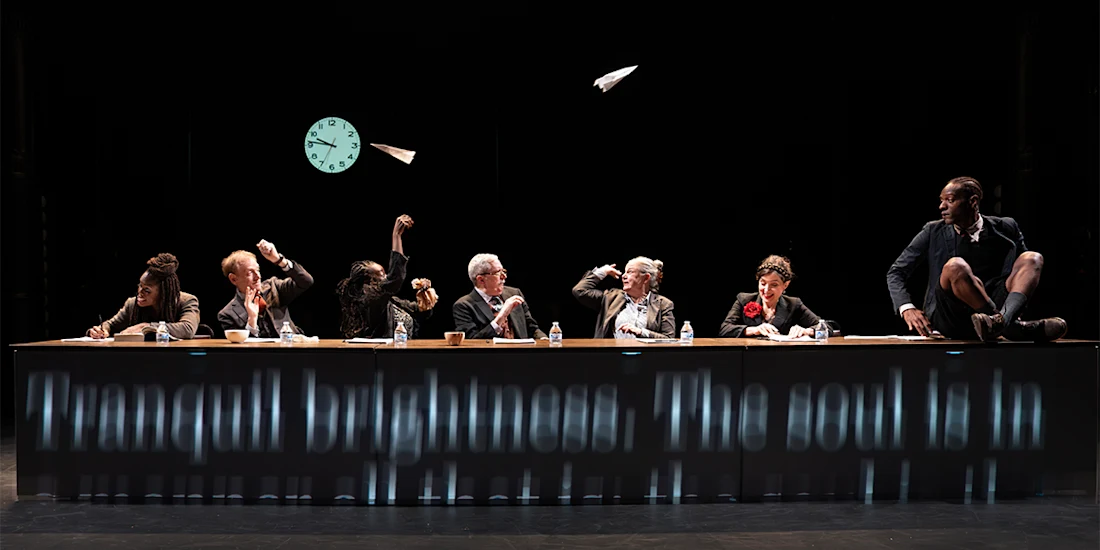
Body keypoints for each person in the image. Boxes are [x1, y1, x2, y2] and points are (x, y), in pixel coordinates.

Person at [887, 176, 1067, 342]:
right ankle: (1008, 327)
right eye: (941, 201)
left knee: (1032, 258)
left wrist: (1012, 309)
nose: (942, 206)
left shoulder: (1006, 227)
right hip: (952, 313)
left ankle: (999, 322)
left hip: (995, 301)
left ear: (973, 202)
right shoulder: (933, 231)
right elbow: (896, 272)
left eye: (949, 200)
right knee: (955, 266)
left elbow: (1022, 278)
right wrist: (906, 307)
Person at [337, 214, 438, 339]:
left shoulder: (391, 301)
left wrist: (425, 298)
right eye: (381, 273)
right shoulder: (369, 301)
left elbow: (418, 311)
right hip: (380, 356)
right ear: (368, 283)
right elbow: (395, 278)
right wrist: (396, 235)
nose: (386, 276)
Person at [87, 253, 200, 339]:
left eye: (147, 290)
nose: (139, 292)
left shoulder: (186, 301)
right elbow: (110, 324)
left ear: (163, 293)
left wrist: (146, 327)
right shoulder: (132, 304)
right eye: (140, 286)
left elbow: (188, 328)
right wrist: (102, 330)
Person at [217, 240, 314, 338]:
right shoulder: (227, 314)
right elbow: (242, 350)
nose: (258, 276)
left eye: (258, 270)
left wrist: (279, 260)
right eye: (250, 273)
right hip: (260, 353)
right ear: (233, 279)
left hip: (290, 349)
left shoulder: (274, 287)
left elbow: (306, 281)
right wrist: (252, 319)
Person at [572, 257, 676, 339]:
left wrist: (641, 332)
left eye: (630, 272)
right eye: (625, 272)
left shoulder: (663, 304)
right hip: (613, 358)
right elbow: (580, 291)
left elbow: (669, 338)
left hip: (648, 359)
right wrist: (602, 271)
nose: (624, 276)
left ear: (646, 278)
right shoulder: (611, 297)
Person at [719, 255, 821, 338]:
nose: (766, 290)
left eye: (774, 285)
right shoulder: (744, 300)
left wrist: (807, 331)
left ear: (785, 285)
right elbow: (725, 329)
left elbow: (825, 327)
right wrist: (754, 330)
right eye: (763, 283)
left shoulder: (794, 304)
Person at [453, 253, 547, 340]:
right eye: (497, 273)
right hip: (491, 357)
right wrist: (502, 316)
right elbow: (472, 343)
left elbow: (532, 328)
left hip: (522, 354)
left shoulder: (514, 293)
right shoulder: (463, 306)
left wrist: (544, 341)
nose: (504, 276)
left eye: (503, 271)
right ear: (481, 280)